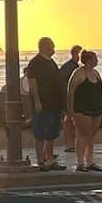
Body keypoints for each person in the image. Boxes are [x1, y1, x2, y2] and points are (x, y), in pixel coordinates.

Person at [25, 37, 66, 171]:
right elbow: (32, 83)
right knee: (40, 132)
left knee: (52, 133)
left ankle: (50, 159)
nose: (54, 49)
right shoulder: (35, 63)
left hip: (55, 103)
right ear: (45, 46)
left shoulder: (52, 63)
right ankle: (40, 160)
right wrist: (37, 101)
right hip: (43, 103)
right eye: (52, 46)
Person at [68, 51, 102, 172]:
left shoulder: (96, 73)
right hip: (82, 109)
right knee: (82, 134)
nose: (97, 60)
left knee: (92, 135)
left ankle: (90, 161)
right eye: (95, 58)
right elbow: (71, 91)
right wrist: (71, 109)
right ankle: (80, 163)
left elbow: (101, 90)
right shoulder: (78, 73)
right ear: (89, 60)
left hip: (96, 108)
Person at [59, 44, 82, 152]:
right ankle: (69, 144)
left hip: (70, 97)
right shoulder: (70, 67)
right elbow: (64, 84)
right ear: (74, 54)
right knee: (69, 121)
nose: (79, 56)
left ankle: (71, 144)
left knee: (70, 121)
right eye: (78, 54)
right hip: (67, 98)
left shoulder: (72, 66)